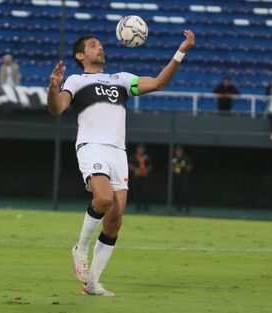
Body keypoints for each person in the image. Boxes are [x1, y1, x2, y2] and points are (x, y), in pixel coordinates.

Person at [48, 30, 195, 296]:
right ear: (80, 55)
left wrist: (181, 51)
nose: (100, 48)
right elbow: (56, 108)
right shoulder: (76, 79)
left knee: (115, 220)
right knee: (103, 199)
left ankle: (92, 283)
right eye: (93, 45)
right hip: (91, 146)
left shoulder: (122, 79)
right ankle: (80, 248)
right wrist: (53, 87)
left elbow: (159, 83)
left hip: (118, 152)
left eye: (101, 45)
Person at [128, 144, 152, 211]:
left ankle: (145, 207)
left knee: (145, 191)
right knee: (137, 192)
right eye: (139, 148)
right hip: (137, 176)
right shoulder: (133, 156)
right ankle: (138, 207)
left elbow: (150, 166)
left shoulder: (147, 157)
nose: (141, 150)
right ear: (137, 149)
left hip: (145, 176)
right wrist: (136, 170)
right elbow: (129, 165)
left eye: (142, 148)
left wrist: (147, 170)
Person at [171, 145, 192, 214]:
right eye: (177, 151)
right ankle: (178, 208)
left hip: (185, 178)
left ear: (182, 151)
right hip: (177, 178)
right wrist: (176, 167)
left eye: (179, 150)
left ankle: (187, 208)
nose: (178, 152)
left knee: (185, 193)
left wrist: (184, 166)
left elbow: (190, 168)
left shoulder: (186, 158)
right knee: (178, 193)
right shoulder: (174, 159)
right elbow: (172, 168)